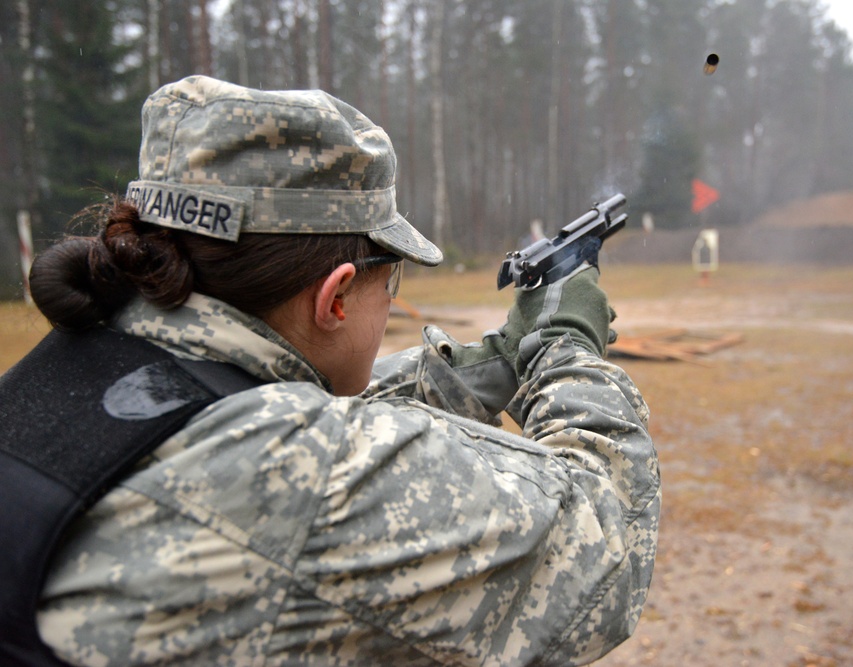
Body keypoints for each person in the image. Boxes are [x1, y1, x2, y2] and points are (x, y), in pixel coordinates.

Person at [1, 75, 660, 666]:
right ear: (336, 295)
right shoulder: (304, 471)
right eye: (391, 275)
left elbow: (242, 403)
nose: (393, 293)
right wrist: (565, 343)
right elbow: (605, 550)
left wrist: (468, 372)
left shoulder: (75, 370)